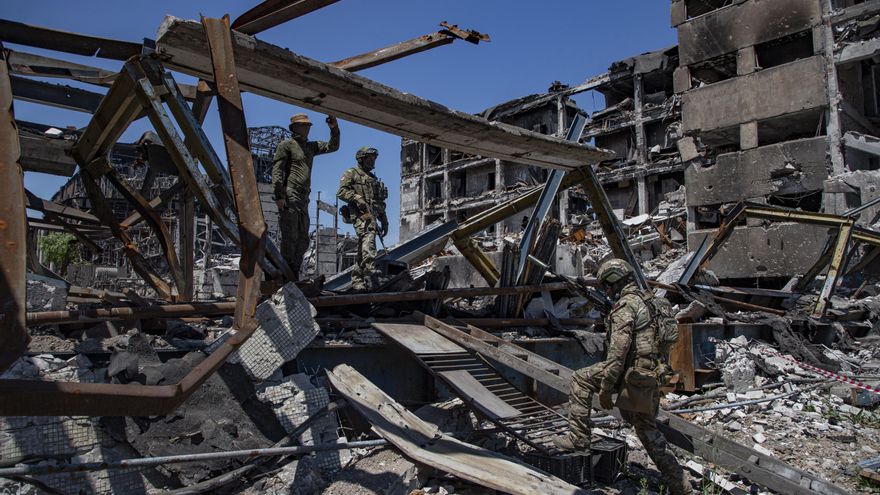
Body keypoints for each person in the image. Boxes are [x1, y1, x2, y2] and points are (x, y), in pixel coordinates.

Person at [554, 258, 690, 495]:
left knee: (580, 378)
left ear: (613, 282)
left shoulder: (625, 307)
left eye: (606, 285)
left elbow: (618, 354)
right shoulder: (655, 303)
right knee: (647, 429)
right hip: (651, 373)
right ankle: (681, 486)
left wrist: (606, 388)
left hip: (628, 373)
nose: (607, 290)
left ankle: (578, 438)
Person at [272, 113, 339, 279]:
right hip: (291, 194)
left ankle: (293, 271)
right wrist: (279, 196)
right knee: (290, 236)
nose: (307, 128)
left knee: (303, 238)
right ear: (295, 127)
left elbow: (333, 146)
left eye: (308, 126)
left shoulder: (310, 147)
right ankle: (285, 274)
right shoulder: (286, 145)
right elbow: (277, 170)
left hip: (303, 197)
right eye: (304, 125)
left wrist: (334, 128)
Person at [337, 147, 388, 291]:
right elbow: (341, 192)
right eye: (370, 158)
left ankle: (358, 281)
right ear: (361, 159)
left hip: (373, 216)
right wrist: (356, 198)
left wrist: (384, 220)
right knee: (368, 236)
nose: (373, 161)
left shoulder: (373, 178)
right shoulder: (351, 173)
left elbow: (379, 203)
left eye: (374, 158)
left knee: (362, 246)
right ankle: (370, 271)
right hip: (359, 215)